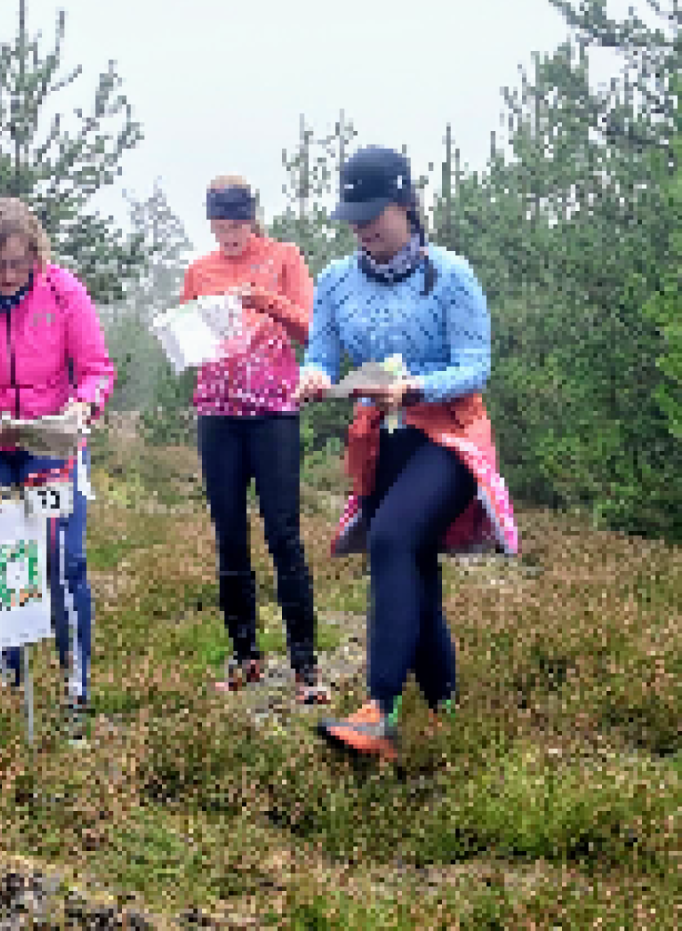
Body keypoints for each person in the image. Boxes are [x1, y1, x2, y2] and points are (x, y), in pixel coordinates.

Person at [295, 145, 520, 763]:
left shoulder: (452, 275)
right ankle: (444, 706)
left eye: (374, 214)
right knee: (415, 567)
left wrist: (413, 387)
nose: (363, 227)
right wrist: (315, 376)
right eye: (354, 217)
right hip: (382, 438)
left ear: (404, 204)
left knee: (392, 539)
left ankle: (380, 709)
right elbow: (321, 352)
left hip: (447, 434)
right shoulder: (337, 280)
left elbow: (476, 366)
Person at [0, 197, 114, 742]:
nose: (8, 276)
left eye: (18, 263)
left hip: (50, 436)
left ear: (36, 255)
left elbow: (96, 369)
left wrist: (83, 407)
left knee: (61, 557)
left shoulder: (62, 290)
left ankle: (74, 685)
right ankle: (7, 680)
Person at [181, 175, 329, 705]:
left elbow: (313, 328)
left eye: (238, 225)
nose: (231, 237)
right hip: (217, 413)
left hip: (273, 413)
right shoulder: (199, 270)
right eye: (221, 228)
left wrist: (263, 300)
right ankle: (245, 654)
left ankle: (306, 663)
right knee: (229, 535)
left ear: (253, 219)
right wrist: (187, 335)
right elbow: (190, 340)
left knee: (283, 534)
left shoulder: (283, 257)